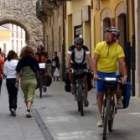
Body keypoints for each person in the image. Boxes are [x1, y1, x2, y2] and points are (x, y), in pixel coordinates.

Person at [92, 27, 127, 127]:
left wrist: (125, 75)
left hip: (112, 73)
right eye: (106, 34)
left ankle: (119, 98)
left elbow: (122, 62)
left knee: (119, 85)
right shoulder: (100, 45)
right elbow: (95, 60)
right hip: (101, 73)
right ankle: (100, 117)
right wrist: (95, 73)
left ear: (115, 37)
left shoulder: (118, 48)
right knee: (100, 93)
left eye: (109, 34)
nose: (106, 36)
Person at [67, 37, 93, 107]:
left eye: (80, 44)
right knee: (70, 72)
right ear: (75, 44)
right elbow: (68, 58)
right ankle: (73, 84)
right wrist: (68, 67)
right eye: (77, 44)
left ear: (82, 44)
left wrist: (92, 68)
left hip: (82, 65)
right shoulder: (71, 48)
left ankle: (86, 99)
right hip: (74, 65)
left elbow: (89, 58)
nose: (78, 46)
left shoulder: (85, 48)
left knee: (85, 80)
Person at [15, 45, 39, 117]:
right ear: (31, 52)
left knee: (26, 96)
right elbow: (37, 70)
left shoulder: (21, 61)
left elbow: (18, 72)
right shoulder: (33, 60)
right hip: (33, 80)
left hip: (24, 81)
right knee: (30, 95)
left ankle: (28, 109)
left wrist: (17, 81)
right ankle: (28, 110)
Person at [3, 50, 18, 116]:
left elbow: (5, 72)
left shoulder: (6, 62)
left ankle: (11, 107)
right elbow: (19, 71)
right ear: (14, 55)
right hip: (15, 79)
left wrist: (8, 74)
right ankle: (14, 108)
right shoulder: (17, 62)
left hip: (8, 80)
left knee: (10, 94)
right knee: (15, 94)